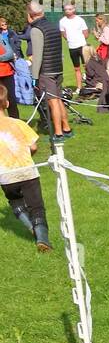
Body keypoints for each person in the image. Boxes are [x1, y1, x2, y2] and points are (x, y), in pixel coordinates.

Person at [0, 82, 52, 250]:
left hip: (6, 175)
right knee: (36, 206)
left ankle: (31, 228)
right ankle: (42, 238)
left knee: (16, 202)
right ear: (7, 103)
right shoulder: (19, 124)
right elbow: (34, 147)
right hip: (28, 172)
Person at [26, 1, 72, 141]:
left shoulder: (36, 30)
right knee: (59, 100)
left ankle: (58, 133)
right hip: (57, 68)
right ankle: (66, 128)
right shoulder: (53, 25)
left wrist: (34, 76)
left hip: (46, 71)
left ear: (30, 14)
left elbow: (37, 56)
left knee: (52, 102)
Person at [59, 2, 90, 93]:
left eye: (69, 9)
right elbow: (64, 34)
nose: (67, 11)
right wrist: (71, 40)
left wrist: (79, 40)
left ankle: (90, 84)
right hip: (72, 47)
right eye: (65, 10)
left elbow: (86, 34)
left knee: (87, 66)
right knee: (76, 68)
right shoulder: (62, 21)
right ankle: (79, 87)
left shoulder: (80, 20)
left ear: (74, 10)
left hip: (82, 46)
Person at [0, 17, 18, 119]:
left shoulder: (1, 38)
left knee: (10, 100)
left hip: (5, 72)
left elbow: (10, 54)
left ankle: (16, 124)